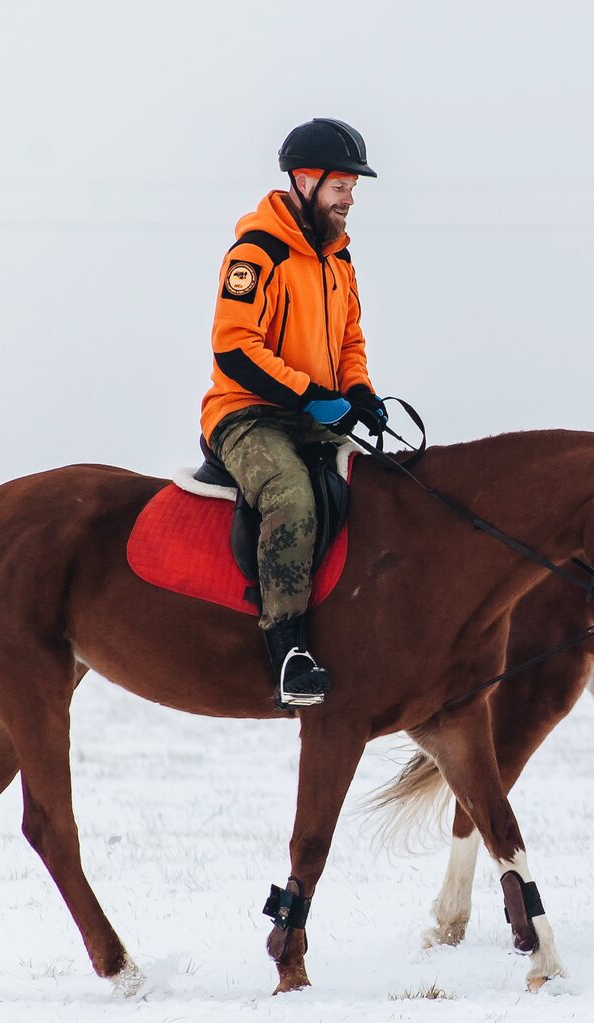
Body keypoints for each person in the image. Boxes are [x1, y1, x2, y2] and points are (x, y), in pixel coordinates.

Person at [200, 118, 391, 709]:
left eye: (353, 188)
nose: (351, 198)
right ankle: (287, 650)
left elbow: (350, 340)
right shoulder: (256, 253)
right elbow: (235, 348)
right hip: (248, 415)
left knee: (387, 489)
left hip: (315, 414)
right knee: (292, 494)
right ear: (305, 181)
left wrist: (360, 393)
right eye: (343, 186)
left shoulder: (339, 259)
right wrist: (309, 394)